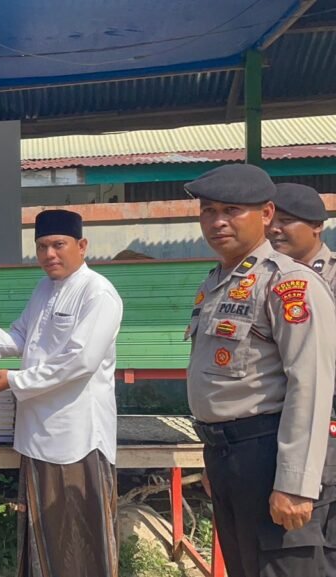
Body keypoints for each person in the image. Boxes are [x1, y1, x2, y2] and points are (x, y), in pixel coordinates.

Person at [184, 164, 335, 577]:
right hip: (227, 456)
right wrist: (215, 458)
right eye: (209, 210)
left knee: (281, 568)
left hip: (269, 454)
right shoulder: (217, 282)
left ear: (266, 214)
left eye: (232, 210)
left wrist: (295, 483)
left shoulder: (289, 283)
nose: (217, 221)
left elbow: (311, 386)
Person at [0, 209, 122, 577]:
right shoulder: (44, 289)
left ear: (82, 246)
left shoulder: (98, 293)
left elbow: (80, 361)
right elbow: (22, 336)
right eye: (41, 246)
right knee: (43, 532)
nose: (49, 254)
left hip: (76, 437)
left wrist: (14, 381)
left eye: (58, 245)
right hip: (37, 430)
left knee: (77, 535)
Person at [267, 181, 336, 573]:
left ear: (317, 227)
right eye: (271, 221)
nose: (275, 230)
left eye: (287, 221)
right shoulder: (266, 278)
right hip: (288, 430)